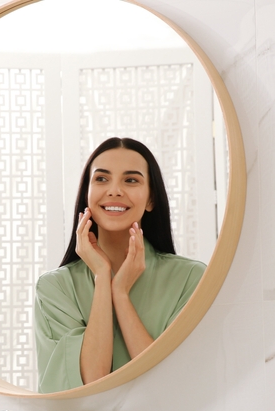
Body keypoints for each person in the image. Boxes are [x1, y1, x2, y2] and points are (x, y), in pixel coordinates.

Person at [34, 137, 205, 393]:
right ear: (87, 195)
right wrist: (103, 277)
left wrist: (121, 294)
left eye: (131, 180)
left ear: (151, 200)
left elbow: (171, 385)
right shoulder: (54, 288)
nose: (114, 190)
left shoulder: (190, 278)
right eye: (101, 179)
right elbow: (90, 383)